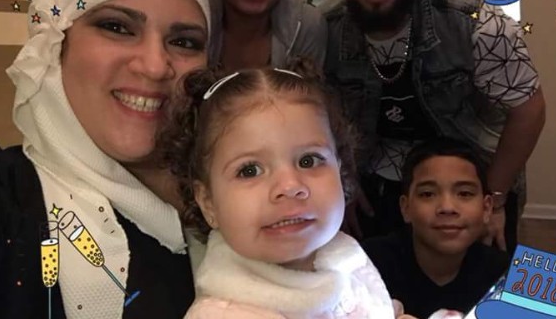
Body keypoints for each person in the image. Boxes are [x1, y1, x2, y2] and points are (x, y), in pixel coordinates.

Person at [0, 0, 211, 319]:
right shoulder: (9, 198)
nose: (154, 66)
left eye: (184, 42)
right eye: (117, 27)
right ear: (59, 44)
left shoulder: (240, 197)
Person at [321, 0, 546, 255]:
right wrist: (344, 184)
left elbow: (529, 110)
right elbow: (317, 120)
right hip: (374, 195)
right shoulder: (322, 29)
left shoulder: (481, 24)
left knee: (493, 285)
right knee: (376, 287)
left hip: (475, 188)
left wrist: (495, 199)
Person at [159, 63, 402, 318]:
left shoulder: (345, 261)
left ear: (339, 171)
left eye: (308, 160)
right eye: (250, 170)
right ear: (207, 202)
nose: (290, 186)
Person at [362, 137, 509, 319]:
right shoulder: (361, 264)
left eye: (464, 193)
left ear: (486, 208)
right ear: (405, 208)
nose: (447, 207)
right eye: (428, 194)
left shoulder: (513, 275)